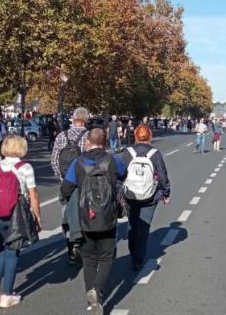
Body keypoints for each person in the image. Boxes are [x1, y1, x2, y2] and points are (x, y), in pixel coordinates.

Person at [60, 128, 126, 314]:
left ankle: (92, 302)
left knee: (89, 260)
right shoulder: (113, 160)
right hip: (108, 216)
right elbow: (123, 174)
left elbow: (65, 188)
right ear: (105, 142)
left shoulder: (78, 162)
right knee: (107, 257)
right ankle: (97, 290)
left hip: (85, 217)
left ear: (88, 142)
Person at [0, 135, 41, 308]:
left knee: (2, 247)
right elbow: (33, 195)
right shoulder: (25, 167)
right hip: (16, 213)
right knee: (13, 251)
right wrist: (37, 217)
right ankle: (7, 294)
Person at [121, 124, 170, 271]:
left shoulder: (127, 153)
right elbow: (162, 176)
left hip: (130, 196)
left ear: (135, 136)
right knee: (144, 227)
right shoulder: (155, 153)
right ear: (150, 136)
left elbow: (120, 175)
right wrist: (165, 193)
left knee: (132, 225)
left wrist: (120, 194)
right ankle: (138, 259)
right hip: (150, 197)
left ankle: (133, 253)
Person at [51, 106, 89, 263]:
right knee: (83, 215)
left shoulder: (62, 135)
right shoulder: (89, 136)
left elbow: (54, 160)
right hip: (83, 184)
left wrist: (62, 178)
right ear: (86, 120)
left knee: (66, 215)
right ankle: (82, 244)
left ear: (73, 119)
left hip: (66, 183)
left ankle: (70, 249)